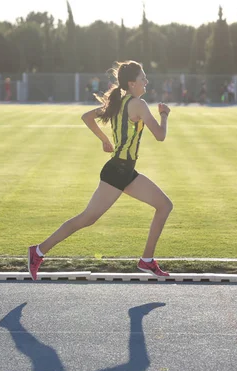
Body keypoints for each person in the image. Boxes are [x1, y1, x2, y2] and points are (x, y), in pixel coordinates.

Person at [27, 60, 173, 280]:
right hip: (116, 172)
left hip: (126, 172)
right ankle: (37, 251)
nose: (147, 81)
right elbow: (160, 136)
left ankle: (146, 260)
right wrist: (164, 115)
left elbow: (87, 117)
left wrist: (105, 140)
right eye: (143, 78)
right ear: (132, 84)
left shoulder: (119, 102)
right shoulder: (138, 104)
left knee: (164, 205)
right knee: (86, 218)